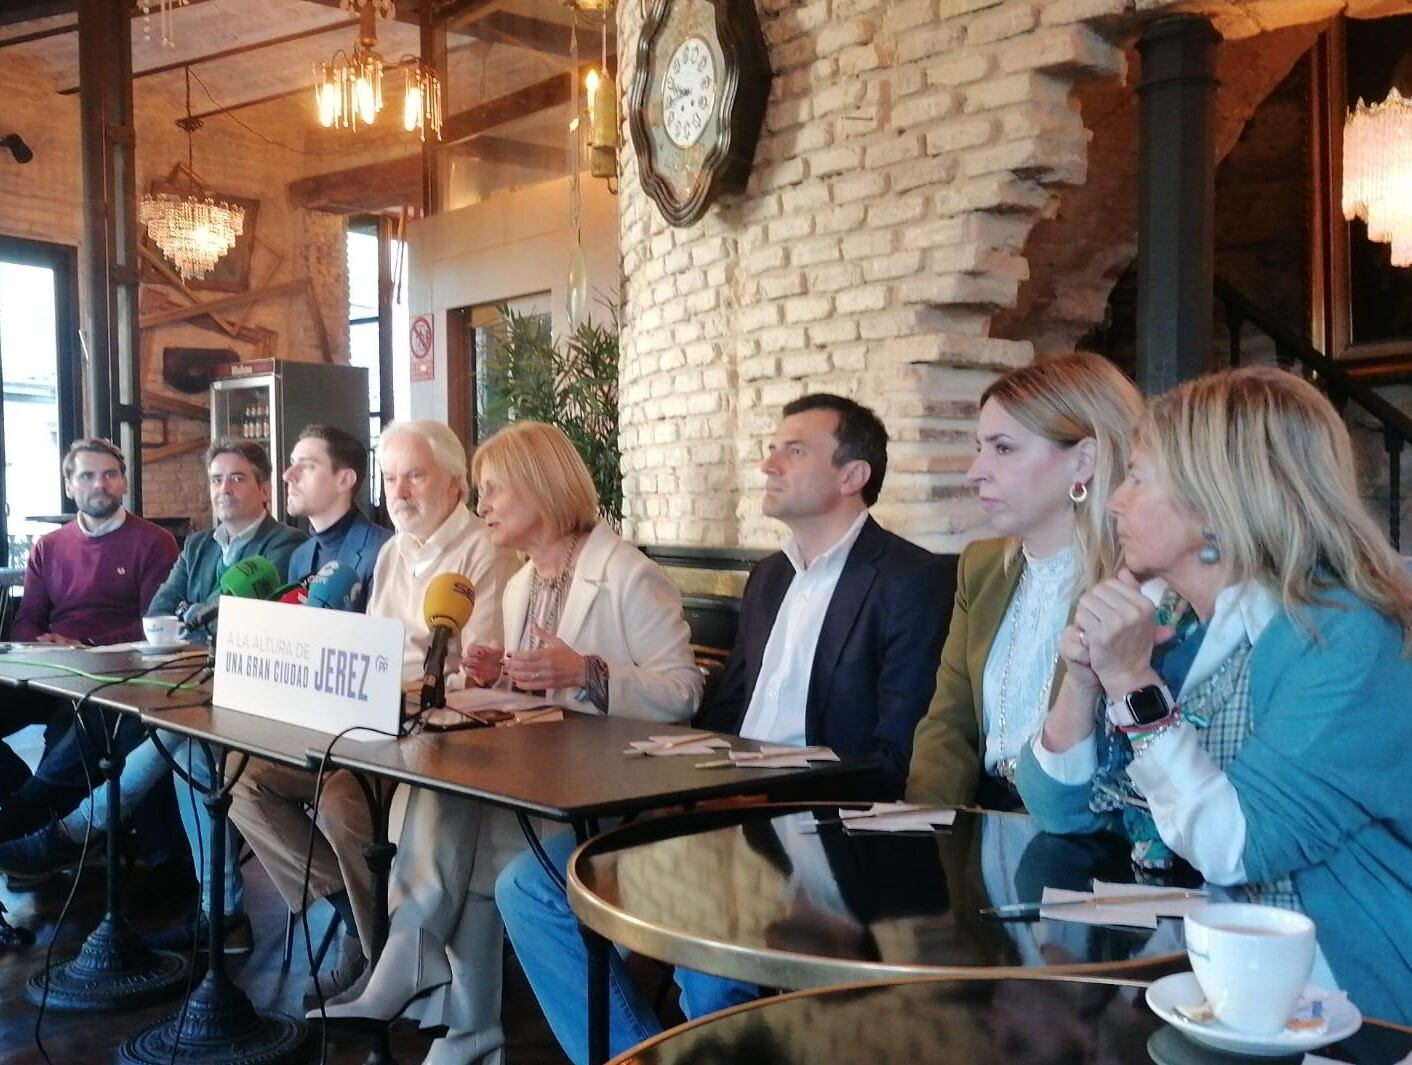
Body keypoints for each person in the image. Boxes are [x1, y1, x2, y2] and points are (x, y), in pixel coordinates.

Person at [496, 394, 952, 1065]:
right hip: (718, 808)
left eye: (794, 449)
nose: (769, 461)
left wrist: (761, 788)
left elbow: (895, 754)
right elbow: (728, 712)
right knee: (529, 884)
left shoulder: (910, 578)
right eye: (773, 445)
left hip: (813, 824)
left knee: (710, 965)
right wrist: (684, 766)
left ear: (853, 475)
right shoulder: (769, 578)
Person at [1018, 367, 1412, 1025]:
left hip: (1337, 1001)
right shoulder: (1180, 616)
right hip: (1212, 974)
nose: (1114, 500)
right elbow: (1057, 808)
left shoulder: (1342, 633)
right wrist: (1087, 679)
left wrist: (1133, 684)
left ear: (1217, 502)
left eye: (1140, 477)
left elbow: (1239, 843)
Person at [320, 421, 703, 1065]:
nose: (481, 506)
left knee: (464, 825)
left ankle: (443, 996)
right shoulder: (524, 582)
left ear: (541, 488)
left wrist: (588, 673)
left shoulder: (629, 574)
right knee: (451, 794)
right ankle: (462, 1020)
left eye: (493, 490)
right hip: (543, 779)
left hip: (615, 790)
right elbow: (542, 698)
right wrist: (504, 675)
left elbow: (684, 692)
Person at [229, 419, 513, 999]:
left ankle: (382, 954)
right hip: (367, 725)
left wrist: (404, 695)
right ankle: (372, 929)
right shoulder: (391, 551)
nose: (400, 492)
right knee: (239, 777)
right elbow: (372, 649)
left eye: (415, 476)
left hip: (435, 738)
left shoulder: (486, 551)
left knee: (338, 801)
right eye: (391, 478)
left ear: (455, 482)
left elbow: (482, 674)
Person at [0, 441, 306, 952]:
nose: (224, 489)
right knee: (127, 723)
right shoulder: (201, 545)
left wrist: (196, 615)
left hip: (226, 693)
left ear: (263, 487)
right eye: (216, 480)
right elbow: (164, 612)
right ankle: (70, 835)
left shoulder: (284, 545)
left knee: (133, 726)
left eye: (236, 478)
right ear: (70, 485)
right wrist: (195, 616)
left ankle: (64, 832)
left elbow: (233, 618)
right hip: (154, 680)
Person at [906, 353, 1142, 812]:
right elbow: (948, 725)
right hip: (983, 826)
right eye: (979, 447)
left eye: (1003, 448)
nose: (975, 472)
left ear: (1084, 461)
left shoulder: (1134, 581)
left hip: (1086, 837)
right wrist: (926, 829)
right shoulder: (983, 567)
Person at [0, 438, 178, 833]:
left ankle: (35, 829)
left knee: (72, 730)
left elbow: (155, 623)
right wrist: (37, 645)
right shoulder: (48, 546)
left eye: (110, 474)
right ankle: (24, 810)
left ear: (124, 483)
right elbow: (28, 617)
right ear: (69, 486)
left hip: (114, 677)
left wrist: (86, 647)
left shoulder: (154, 542)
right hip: (49, 671)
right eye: (88, 475)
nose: (100, 484)